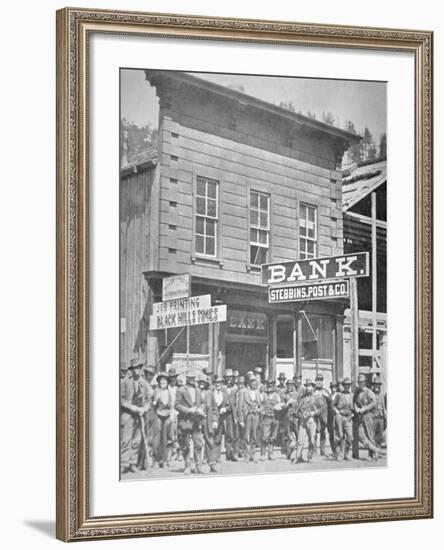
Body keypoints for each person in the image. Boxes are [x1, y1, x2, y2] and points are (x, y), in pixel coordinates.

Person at [120, 358, 152, 474]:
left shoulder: (144, 384)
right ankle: (124, 464)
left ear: (140, 369)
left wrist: (144, 409)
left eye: (138, 368)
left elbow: (148, 399)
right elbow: (121, 399)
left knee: (137, 440)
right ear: (131, 370)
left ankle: (133, 463)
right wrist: (131, 407)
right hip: (128, 414)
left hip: (139, 415)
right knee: (126, 439)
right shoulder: (125, 382)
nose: (136, 371)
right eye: (133, 369)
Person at [175, 370, 206, 474]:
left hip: (196, 420)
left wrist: (201, 409)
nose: (192, 380)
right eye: (190, 378)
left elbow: (202, 402)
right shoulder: (181, 390)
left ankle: (198, 466)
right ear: (187, 378)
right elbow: (177, 405)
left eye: (194, 378)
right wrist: (188, 410)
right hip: (185, 420)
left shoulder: (197, 390)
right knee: (185, 444)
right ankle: (187, 465)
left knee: (198, 443)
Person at [354, 373, 379, 461]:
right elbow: (356, 403)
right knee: (361, 435)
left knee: (370, 435)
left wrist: (365, 408)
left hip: (368, 415)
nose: (361, 384)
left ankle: (371, 455)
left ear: (365, 383)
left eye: (362, 382)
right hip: (360, 416)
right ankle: (375, 449)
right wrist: (356, 408)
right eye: (359, 382)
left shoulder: (369, 392)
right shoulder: (358, 392)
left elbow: (373, 403)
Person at [152, 372, 174, 468]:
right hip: (158, 415)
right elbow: (153, 404)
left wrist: (171, 415)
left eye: (165, 382)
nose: (163, 384)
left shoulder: (170, 392)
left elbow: (172, 406)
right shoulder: (156, 391)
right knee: (157, 437)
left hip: (167, 416)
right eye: (161, 382)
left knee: (165, 438)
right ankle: (156, 459)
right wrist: (156, 400)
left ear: (167, 383)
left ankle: (164, 460)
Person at [295, 379, 319, 463]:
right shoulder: (302, 398)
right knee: (300, 440)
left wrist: (313, 413)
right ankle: (298, 457)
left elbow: (321, 409)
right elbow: (297, 410)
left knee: (312, 440)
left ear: (313, 387)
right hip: (303, 421)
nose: (308, 388)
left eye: (309, 386)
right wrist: (301, 415)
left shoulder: (316, 397)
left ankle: (310, 457)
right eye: (307, 386)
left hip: (312, 421)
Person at [238, 375, 261, 463]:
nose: (254, 384)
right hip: (247, 416)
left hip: (255, 416)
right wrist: (240, 420)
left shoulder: (258, 392)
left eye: (255, 382)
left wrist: (259, 409)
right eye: (252, 382)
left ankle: (253, 455)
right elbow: (240, 407)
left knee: (254, 436)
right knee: (246, 436)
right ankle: (246, 456)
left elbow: (260, 404)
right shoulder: (243, 392)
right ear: (249, 383)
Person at [199, 374, 219, 472]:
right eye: (200, 382)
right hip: (197, 420)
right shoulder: (195, 393)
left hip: (207, 420)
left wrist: (215, 420)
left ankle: (212, 463)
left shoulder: (209, 394)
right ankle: (198, 464)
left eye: (203, 383)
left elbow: (215, 408)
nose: (201, 384)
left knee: (210, 441)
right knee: (197, 442)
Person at [332, 377, 354, 461]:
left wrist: (352, 415)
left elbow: (355, 406)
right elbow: (333, 405)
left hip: (348, 417)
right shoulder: (339, 395)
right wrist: (337, 412)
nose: (347, 386)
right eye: (345, 385)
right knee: (339, 436)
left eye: (348, 385)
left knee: (350, 436)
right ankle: (340, 454)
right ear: (343, 386)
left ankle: (347, 454)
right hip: (340, 416)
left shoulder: (352, 395)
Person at [261, 380, 282, 460]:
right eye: (269, 385)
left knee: (273, 436)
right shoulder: (263, 395)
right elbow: (260, 404)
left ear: (274, 386)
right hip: (266, 417)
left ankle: (271, 454)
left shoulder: (277, 395)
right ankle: (263, 454)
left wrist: (279, 407)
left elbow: (280, 404)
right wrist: (262, 410)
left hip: (275, 418)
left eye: (272, 385)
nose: (270, 386)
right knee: (265, 436)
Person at [313, 373, 331, 457]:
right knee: (314, 433)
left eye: (321, 380)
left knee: (323, 433)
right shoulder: (313, 391)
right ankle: (314, 451)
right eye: (318, 380)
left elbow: (331, 402)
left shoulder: (326, 391)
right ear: (315, 381)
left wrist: (327, 396)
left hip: (323, 415)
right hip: (315, 414)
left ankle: (323, 451)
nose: (319, 382)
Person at [223, 369, 239, 461]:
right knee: (229, 434)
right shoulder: (222, 388)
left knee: (236, 435)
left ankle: (235, 453)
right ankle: (228, 454)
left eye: (231, 377)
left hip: (235, 414)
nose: (229, 379)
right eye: (227, 377)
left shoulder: (236, 388)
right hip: (226, 414)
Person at [283, 379, 300, 460]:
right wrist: (287, 403)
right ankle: (288, 453)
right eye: (288, 385)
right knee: (288, 434)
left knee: (297, 433)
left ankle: (298, 453)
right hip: (287, 416)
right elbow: (282, 406)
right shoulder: (285, 395)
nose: (290, 387)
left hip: (295, 417)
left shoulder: (297, 395)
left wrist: (296, 411)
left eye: (291, 385)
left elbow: (300, 405)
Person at [372, 380, 387, 451]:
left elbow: (383, 406)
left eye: (378, 385)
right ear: (373, 385)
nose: (377, 386)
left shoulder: (381, 395)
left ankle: (378, 450)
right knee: (373, 435)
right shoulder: (371, 394)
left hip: (380, 417)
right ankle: (372, 452)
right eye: (375, 384)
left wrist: (385, 416)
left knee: (380, 435)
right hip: (374, 417)